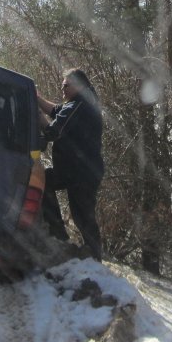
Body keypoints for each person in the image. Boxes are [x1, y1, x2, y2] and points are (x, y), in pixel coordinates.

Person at [36, 68, 104, 261]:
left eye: (66, 85)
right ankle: (65, 238)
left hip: (82, 172)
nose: (62, 88)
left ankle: (92, 256)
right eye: (62, 84)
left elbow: (53, 132)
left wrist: (37, 116)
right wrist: (37, 98)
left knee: (83, 216)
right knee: (45, 180)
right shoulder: (79, 103)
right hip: (76, 169)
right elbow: (57, 110)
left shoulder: (79, 105)